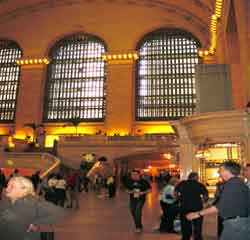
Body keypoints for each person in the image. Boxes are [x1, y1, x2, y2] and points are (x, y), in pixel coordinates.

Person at [187, 161, 250, 240]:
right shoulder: (236, 182)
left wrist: (197, 214)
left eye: (220, 170)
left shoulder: (233, 184)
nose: (218, 172)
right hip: (237, 223)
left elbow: (219, 207)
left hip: (236, 225)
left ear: (227, 171)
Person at [0, 176, 68, 240]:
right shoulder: (6, 200)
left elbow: (60, 212)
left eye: (12, 187)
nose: (6, 189)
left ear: (24, 189)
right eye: (7, 185)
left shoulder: (34, 203)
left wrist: (36, 223)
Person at [175, 172, 208, 240]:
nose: (198, 178)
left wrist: (179, 199)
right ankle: (197, 238)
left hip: (184, 207)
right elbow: (205, 196)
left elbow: (175, 192)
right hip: (197, 207)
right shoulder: (199, 185)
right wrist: (203, 201)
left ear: (189, 177)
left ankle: (186, 237)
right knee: (197, 225)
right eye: (197, 177)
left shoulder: (182, 183)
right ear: (195, 177)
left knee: (185, 225)